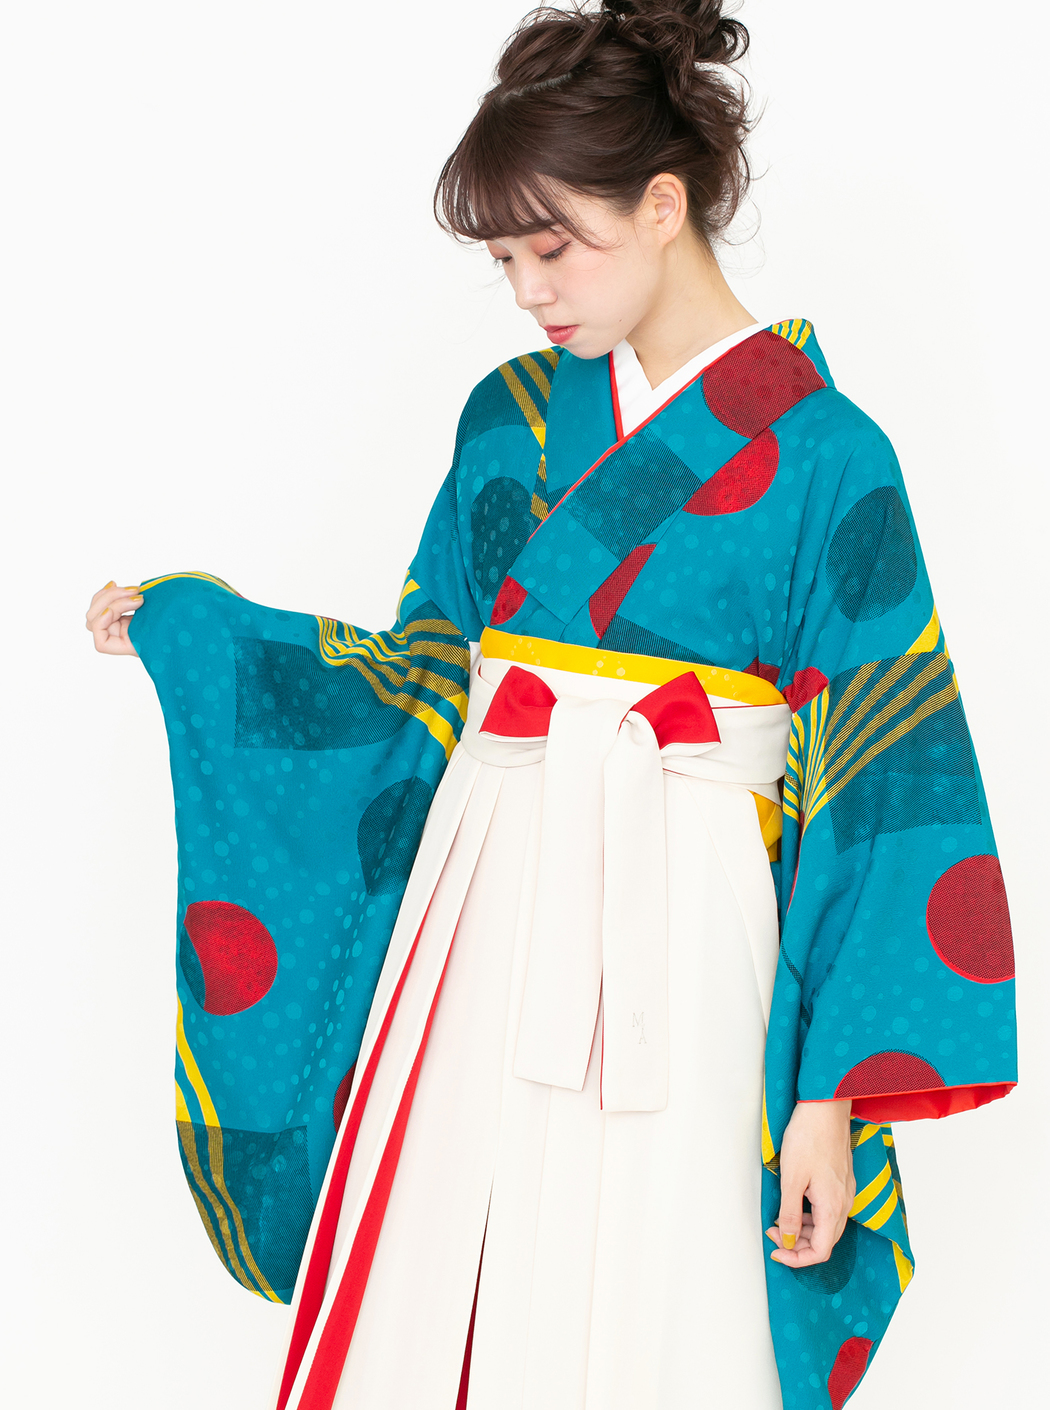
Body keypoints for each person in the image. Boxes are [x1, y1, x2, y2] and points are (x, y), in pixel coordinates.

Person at [85, 3, 1017, 1408]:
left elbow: (886, 777)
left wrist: (828, 1096)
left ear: (662, 207)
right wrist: (204, 636)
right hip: (488, 898)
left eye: (552, 247)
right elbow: (420, 673)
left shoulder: (833, 454)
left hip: (691, 917)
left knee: (676, 1282)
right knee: (453, 1258)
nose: (530, 291)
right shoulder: (507, 420)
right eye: (506, 260)